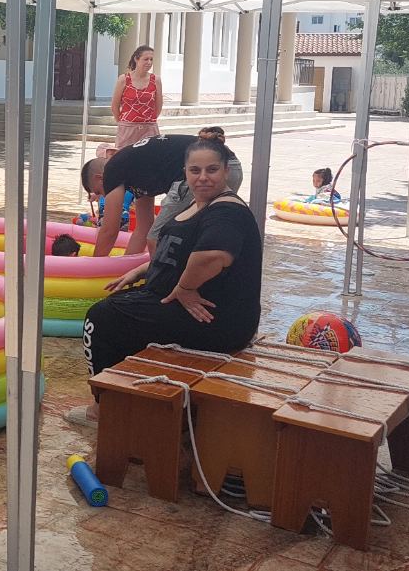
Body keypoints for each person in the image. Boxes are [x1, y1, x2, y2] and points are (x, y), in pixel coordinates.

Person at [68, 137, 263, 428]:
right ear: (184, 172)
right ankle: (131, 399)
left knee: (100, 319)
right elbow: (180, 250)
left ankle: (102, 408)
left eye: (212, 170)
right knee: (120, 307)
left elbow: (212, 256)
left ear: (226, 172)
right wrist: (147, 269)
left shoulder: (227, 212)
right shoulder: (200, 205)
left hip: (215, 319)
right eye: (195, 170)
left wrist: (184, 288)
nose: (203, 177)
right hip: (189, 306)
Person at [81, 129, 243, 257]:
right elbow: (143, 229)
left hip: (204, 173)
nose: (102, 196)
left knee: (157, 238)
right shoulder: (136, 172)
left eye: (98, 192)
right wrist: (124, 273)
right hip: (228, 169)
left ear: (99, 178)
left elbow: (110, 230)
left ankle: (162, 289)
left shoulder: (112, 169)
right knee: (193, 235)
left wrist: (94, 266)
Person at [110, 46, 162, 148]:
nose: (149, 62)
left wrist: (149, 120)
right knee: (125, 159)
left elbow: (158, 105)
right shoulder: (124, 79)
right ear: (136, 59)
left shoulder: (156, 80)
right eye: (146, 59)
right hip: (127, 128)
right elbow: (114, 106)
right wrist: (123, 123)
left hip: (149, 128)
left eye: (151, 59)